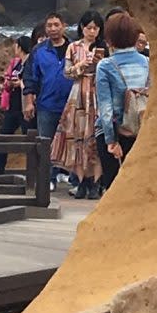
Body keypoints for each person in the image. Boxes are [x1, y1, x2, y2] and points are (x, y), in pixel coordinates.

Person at [51, 10, 105, 200]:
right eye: (89, 27)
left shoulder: (104, 47)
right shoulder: (73, 47)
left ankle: (96, 182)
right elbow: (67, 73)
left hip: (98, 94)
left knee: (96, 138)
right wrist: (82, 64)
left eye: (95, 28)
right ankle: (81, 181)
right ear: (82, 27)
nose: (92, 32)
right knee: (78, 137)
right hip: (79, 94)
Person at [94, 12, 150, 192]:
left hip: (115, 131)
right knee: (138, 187)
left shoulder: (105, 65)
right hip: (141, 131)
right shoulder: (148, 62)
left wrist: (111, 141)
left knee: (113, 188)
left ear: (109, 38)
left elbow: (106, 108)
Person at [22, 12, 73, 141]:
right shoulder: (38, 51)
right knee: (45, 146)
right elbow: (29, 78)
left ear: (64, 26)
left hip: (72, 106)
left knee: (70, 145)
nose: (53, 29)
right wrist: (28, 103)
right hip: (47, 107)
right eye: (49, 25)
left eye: (56, 25)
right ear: (45, 28)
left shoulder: (74, 49)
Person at [0, 35, 32, 174]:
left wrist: (20, 83)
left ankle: (32, 171)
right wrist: (9, 83)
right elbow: (8, 78)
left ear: (20, 47)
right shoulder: (16, 62)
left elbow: (32, 83)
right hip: (12, 105)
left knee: (29, 138)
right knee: (4, 136)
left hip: (25, 105)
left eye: (16, 45)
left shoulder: (30, 63)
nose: (14, 48)